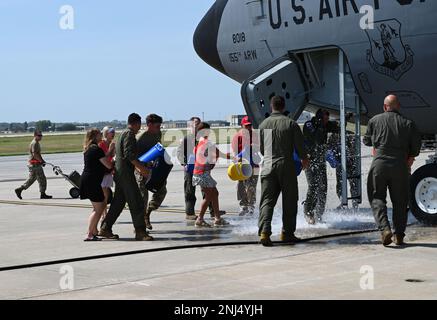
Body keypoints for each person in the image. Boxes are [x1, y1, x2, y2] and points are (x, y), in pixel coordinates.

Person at [363, 95, 421, 246]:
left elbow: (367, 140)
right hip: (400, 166)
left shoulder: (374, 120)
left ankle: (385, 230)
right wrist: (410, 158)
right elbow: (416, 147)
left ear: (384, 107)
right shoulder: (408, 123)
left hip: (379, 165)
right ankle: (399, 235)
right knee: (400, 201)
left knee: (377, 198)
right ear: (398, 106)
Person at [258, 96, 309, 247]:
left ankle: (264, 233)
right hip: (286, 165)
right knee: (289, 200)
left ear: (271, 106)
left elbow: (262, 149)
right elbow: (300, 146)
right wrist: (304, 159)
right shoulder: (290, 123)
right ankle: (287, 233)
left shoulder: (263, 125)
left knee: (267, 201)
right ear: (283, 106)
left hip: (268, 165)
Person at [99, 113, 153, 241]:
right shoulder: (129, 134)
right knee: (137, 202)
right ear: (137, 123)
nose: (140, 127)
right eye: (140, 124)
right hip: (125, 174)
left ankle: (105, 228)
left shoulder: (122, 133)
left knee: (118, 203)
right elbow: (129, 155)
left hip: (120, 173)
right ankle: (140, 231)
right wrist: (142, 168)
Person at [176, 116, 224, 220]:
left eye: (199, 123)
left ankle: (213, 211)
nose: (197, 125)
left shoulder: (203, 139)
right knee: (189, 191)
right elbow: (179, 153)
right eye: (195, 124)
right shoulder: (187, 139)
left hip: (202, 168)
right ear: (190, 126)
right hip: (190, 168)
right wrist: (184, 164)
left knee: (208, 191)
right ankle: (190, 213)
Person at [303, 109, 339, 224]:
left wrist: (345, 119)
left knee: (323, 188)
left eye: (327, 120)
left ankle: (319, 215)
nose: (326, 122)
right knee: (313, 186)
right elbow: (317, 139)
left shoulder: (325, 125)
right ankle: (308, 212)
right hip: (309, 161)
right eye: (325, 119)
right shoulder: (309, 125)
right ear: (319, 119)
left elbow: (336, 126)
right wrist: (321, 126)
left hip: (320, 161)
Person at [192, 122, 231, 227]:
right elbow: (220, 154)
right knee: (209, 196)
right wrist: (234, 157)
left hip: (200, 173)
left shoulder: (199, 142)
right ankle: (200, 219)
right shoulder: (207, 142)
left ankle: (217, 218)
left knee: (214, 193)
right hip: (202, 173)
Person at [80, 129, 113, 241]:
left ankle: (93, 231)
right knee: (99, 209)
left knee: (97, 207)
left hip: (88, 180)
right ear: (95, 136)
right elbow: (108, 165)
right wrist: (114, 161)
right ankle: (89, 234)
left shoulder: (89, 148)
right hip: (92, 181)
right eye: (99, 134)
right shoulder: (97, 149)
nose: (101, 136)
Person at [135, 114, 167, 230]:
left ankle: (147, 213)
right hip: (141, 169)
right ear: (149, 125)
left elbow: (158, 148)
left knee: (162, 191)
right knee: (142, 198)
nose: (159, 129)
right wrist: (142, 168)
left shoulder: (158, 133)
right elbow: (132, 157)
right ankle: (140, 226)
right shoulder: (140, 137)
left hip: (154, 168)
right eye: (157, 126)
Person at [327, 114, 360, 209]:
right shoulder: (333, 136)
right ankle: (343, 202)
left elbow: (354, 149)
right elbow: (329, 149)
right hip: (340, 164)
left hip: (350, 163)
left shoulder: (349, 134)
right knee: (340, 186)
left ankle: (354, 203)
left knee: (353, 184)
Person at [231, 116, 260, 216]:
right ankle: (243, 205)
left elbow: (260, 148)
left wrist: (254, 146)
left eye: (250, 126)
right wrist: (236, 158)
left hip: (254, 164)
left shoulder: (255, 135)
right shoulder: (237, 136)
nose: (248, 127)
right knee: (241, 186)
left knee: (252, 186)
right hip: (242, 164)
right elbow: (234, 152)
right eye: (246, 126)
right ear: (242, 125)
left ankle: (251, 205)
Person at [15, 130, 52, 200]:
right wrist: (41, 161)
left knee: (32, 179)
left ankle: (20, 189)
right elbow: (35, 154)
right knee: (42, 179)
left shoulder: (36, 143)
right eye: (39, 136)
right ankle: (42, 194)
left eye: (41, 135)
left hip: (35, 164)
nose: (41, 137)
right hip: (35, 165)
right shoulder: (34, 143)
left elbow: (38, 153)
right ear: (35, 135)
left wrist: (42, 161)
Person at [98, 126, 116, 220]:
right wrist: (110, 149)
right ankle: (103, 214)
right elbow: (103, 157)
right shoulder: (101, 144)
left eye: (113, 132)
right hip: (102, 172)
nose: (113, 133)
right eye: (111, 132)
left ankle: (104, 213)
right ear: (106, 133)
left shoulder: (111, 143)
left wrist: (114, 150)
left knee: (106, 195)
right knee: (104, 195)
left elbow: (112, 157)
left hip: (108, 171)